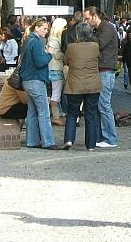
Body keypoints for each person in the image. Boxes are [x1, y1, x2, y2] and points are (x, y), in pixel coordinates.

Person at [20, 18, 62, 150]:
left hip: (27, 80)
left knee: (32, 112)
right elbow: (39, 62)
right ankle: (48, 141)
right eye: (44, 28)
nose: (46, 31)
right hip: (36, 79)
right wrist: (49, 55)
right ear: (37, 28)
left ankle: (32, 141)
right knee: (43, 111)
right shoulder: (37, 42)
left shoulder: (28, 40)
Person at [84, 6, 120, 149]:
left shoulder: (107, 28)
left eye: (87, 18)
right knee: (100, 104)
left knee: (104, 104)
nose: (86, 21)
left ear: (94, 16)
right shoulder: (100, 29)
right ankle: (102, 136)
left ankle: (110, 138)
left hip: (105, 70)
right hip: (100, 69)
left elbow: (97, 45)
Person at [62, 22, 102, 151]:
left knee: (72, 113)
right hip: (92, 84)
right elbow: (99, 59)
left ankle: (69, 139)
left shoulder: (71, 47)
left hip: (75, 84)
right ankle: (91, 144)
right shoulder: (95, 46)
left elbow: (65, 61)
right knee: (90, 114)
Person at [46, 18, 67, 126]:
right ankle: (55, 116)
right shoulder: (54, 40)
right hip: (55, 69)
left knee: (56, 93)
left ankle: (57, 114)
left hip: (55, 68)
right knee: (56, 94)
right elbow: (53, 54)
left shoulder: (53, 38)